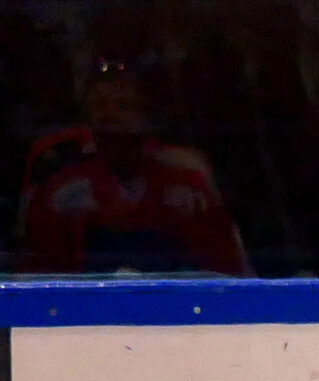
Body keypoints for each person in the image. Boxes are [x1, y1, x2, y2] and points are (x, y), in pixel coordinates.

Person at [17, 59, 249, 276]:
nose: (110, 115)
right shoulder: (61, 190)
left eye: (123, 106)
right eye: (100, 105)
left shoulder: (186, 181)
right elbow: (40, 279)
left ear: (146, 115)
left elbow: (224, 273)